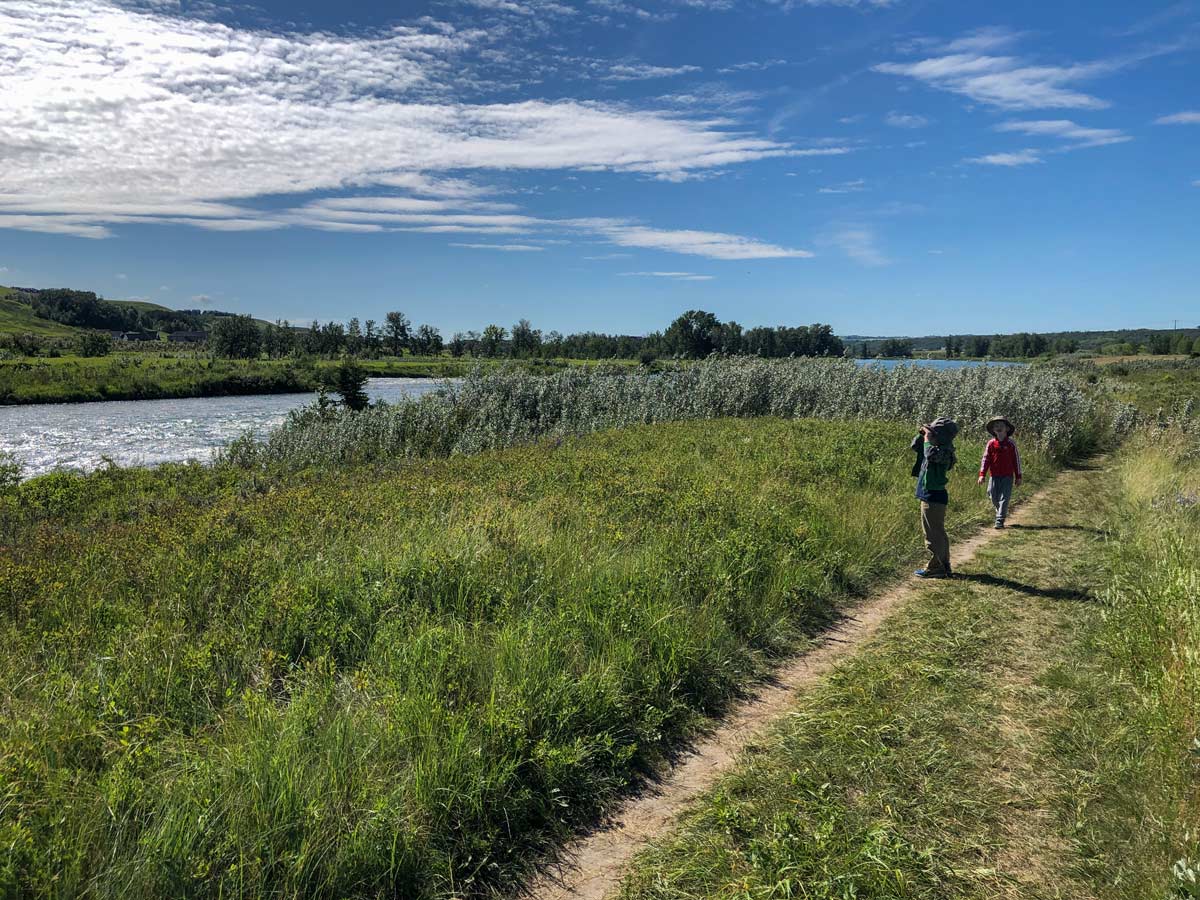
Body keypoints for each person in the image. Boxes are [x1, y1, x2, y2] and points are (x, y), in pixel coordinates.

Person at [914, 417, 958, 578]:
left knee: (932, 534)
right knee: (938, 532)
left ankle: (935, 567)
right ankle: (944, 565)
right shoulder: (940, 448)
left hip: (933, 496)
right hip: (933, 495)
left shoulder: (943, 452)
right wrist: (923, 435)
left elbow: (929, 454)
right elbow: (916, 447)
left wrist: (927, 439)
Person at [977, 415, 1022, 529]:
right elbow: (985, 459)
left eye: (1001, 425)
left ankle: (1000, 520)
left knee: (1004, 498)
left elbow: (1016, 460)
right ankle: (1000, 511)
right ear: (993, 430)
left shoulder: (1011, 444)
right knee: (991, 494)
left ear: (1007, 429)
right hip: (994, 475)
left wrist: (1018, 476)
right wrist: (982, 475)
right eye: (996, 425)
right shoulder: (991, 443)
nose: (998, 427)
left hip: (1007, 476)